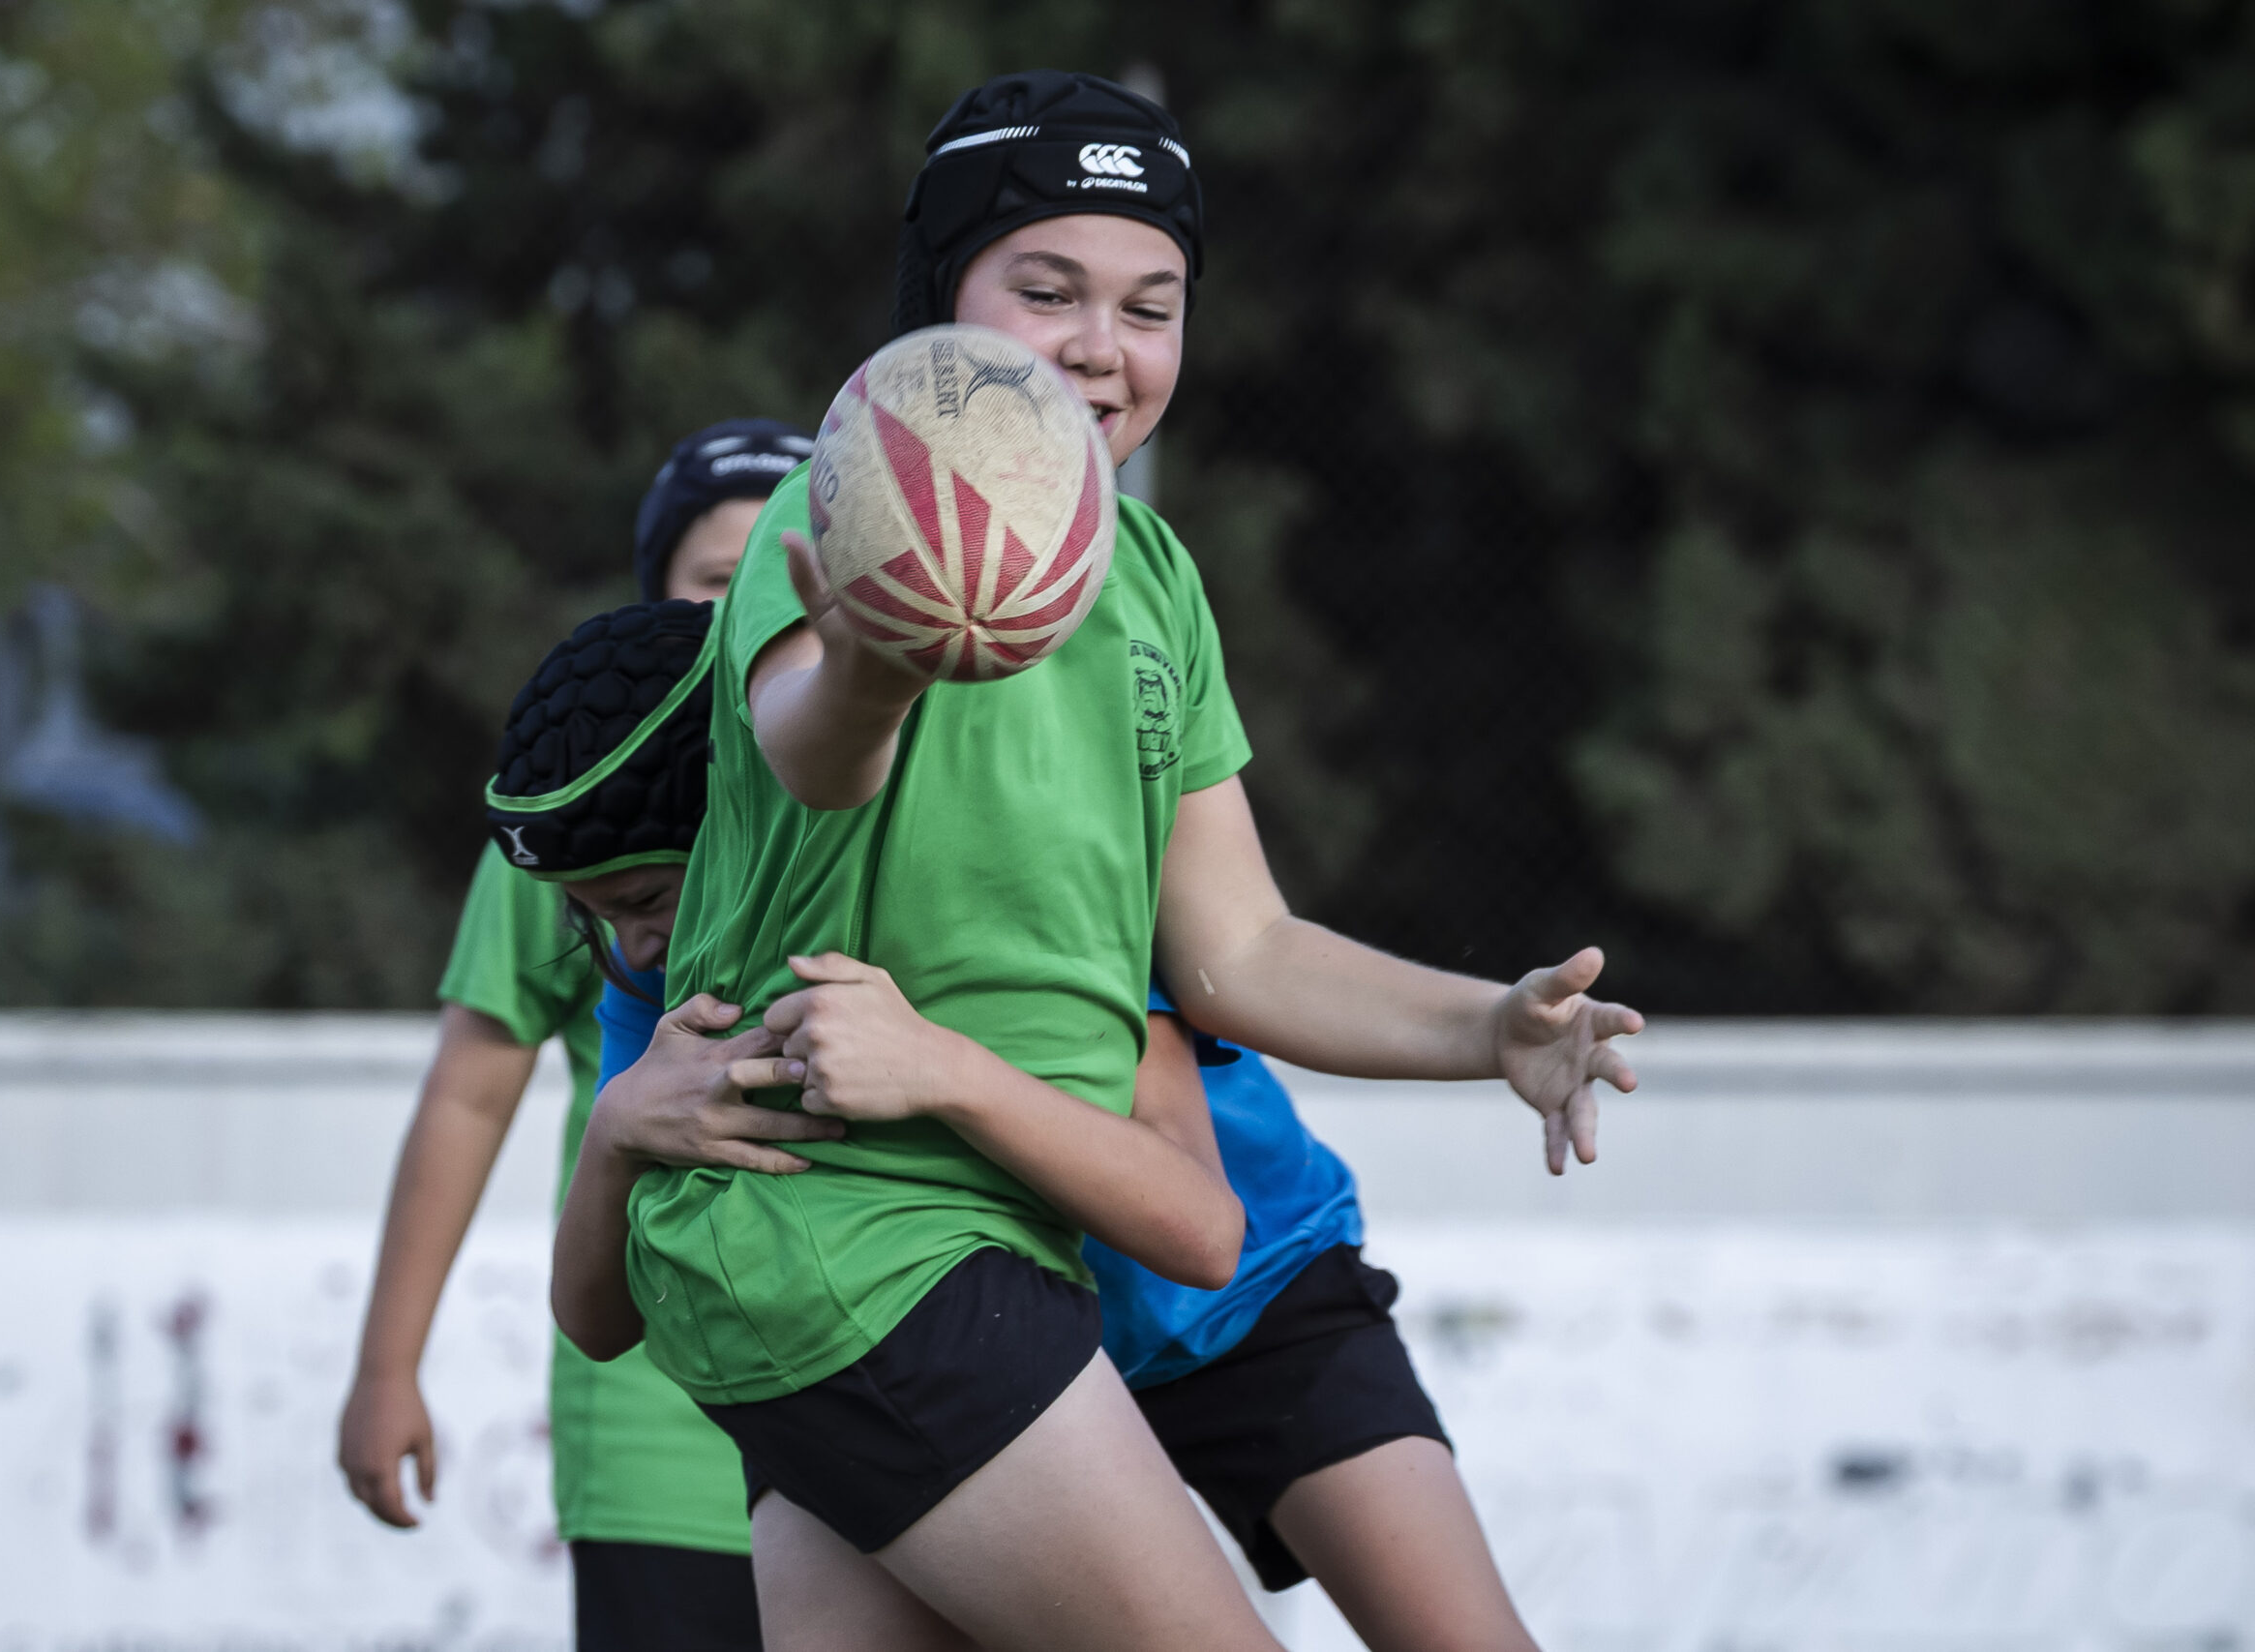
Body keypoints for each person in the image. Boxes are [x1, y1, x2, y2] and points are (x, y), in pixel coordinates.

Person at [554, 71, 1642, 1652]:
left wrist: (1491, 1028)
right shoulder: (853, 497)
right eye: (1044, 289)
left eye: (1152, 304)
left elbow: (1238, 953)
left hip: (959, 1254)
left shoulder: (1150, 575)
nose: (1100, 347)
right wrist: (875, 655)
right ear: (942, 303)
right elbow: (808, 739)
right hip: (854, 1237)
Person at [334, 418, 813, 1652]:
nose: (749, 597)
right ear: (651, 599)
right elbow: (470, 1088)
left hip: (885, 1402)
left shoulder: (862, 794)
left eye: (787, 561)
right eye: (717, 577)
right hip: (660, 1427)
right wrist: (389, 1365)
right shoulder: (579, 823)